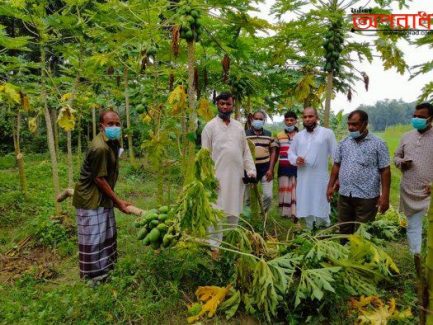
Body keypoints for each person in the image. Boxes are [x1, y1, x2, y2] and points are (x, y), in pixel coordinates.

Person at [72, 110, 131, 282]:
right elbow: (99, 179)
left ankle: (107, 273)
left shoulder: (112, 141)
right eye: (110, 124)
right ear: (101, 126)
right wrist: (118, 202)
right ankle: (93, 280)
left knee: (107, 235)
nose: (114, 127)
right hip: (90, 199)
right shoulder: (100, 148)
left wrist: (115, 200)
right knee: (94, 240)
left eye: (117, 124)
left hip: (102, 198)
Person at [201, 92, 256, 256]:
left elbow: (246, 152)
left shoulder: (239, 127)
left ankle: (231, 242)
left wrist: (251, 170)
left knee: (234, 209)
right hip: (216, 178)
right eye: (222, 103)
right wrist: (208, 178)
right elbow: (204, 155)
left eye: (228, 104)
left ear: (233, 106)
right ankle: (214, 246)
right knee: (216, 211)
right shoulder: (209, 127)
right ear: (217, 105)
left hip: (237, 178)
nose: (225, 107)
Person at [327, 110, 391, 235]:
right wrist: (330, 186)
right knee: (344, 228)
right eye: (349, 124)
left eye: (355, 124)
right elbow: (336, 165)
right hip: (345, 193)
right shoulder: (344, 143)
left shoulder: (378, 144)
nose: (351, 127)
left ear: (365, 124)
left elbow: (385, 170)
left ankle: (359, 254)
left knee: (362, 231)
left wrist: (385, 197)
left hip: (367, 196)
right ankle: (344, 251)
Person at [394, 102, 433, 257]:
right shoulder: (406, 136)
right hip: (409, 190)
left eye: (421, 117)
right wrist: (401, 162)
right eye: (415, 116)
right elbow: (396, 156)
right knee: (413, 226)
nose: (417, 119)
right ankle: (415, 256)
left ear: (430, 118)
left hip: (429, 192)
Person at [288, 107, 337, 229]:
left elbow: (336, 156)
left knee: (321, 203)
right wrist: (296, 159)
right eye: (305, 117)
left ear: (317, 117)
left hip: (320, 178)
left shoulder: (327, 133)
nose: (307, 119)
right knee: (306, 203)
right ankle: (310, 230)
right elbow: (291, 153)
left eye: (310, 116)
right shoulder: (298, 136)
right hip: (304, 178)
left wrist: (336, 179)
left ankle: (324, 229)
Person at [245, 110, 278, 213]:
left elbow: (273, 151)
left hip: (265, 169)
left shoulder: (268, 134)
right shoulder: (245, 134)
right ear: (252, 119)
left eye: (261, 119)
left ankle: (262, 214)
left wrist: (271, 169)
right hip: (249, 170)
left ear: (264, 121)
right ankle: (250, 216)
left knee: (268, 196)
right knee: (248, 198)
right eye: (256, 119)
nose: (258, 121)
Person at [276, 111, 298, 221]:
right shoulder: (279, 135)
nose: (289, 122)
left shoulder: (301, 135)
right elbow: (275, 152)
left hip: (296, 167)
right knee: (284, 189)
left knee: (294, 189)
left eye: (291, 120)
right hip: (283, 167)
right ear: (284, 121)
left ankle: (294, 213)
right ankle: (284, 213)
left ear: (296, 121)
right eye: (287, 120)